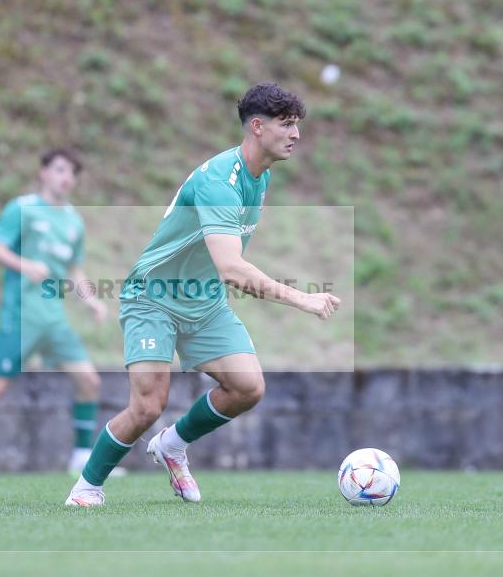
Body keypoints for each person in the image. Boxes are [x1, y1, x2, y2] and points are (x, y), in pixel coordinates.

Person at [65, 83, 340, 506]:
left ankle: (172, 445)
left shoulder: (260, 177)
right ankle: (86, 488)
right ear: (257, 127)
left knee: (247, 387)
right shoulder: (219, 181)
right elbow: (231, 268)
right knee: (147, 407)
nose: (296, 135)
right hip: (153, 297)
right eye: (287, 125)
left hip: (204, 301)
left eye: (297, 126)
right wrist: (303, 298)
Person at [0, 148, 117, 480]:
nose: (66, 177)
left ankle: (82, 457)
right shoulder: (22, 209)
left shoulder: (73, 220)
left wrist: (91, 301)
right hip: (21, 317)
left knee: (89, 380)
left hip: (54, 319)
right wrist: (24, 264)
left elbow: (74, 269)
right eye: (59, 169)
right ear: (43, 172)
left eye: (72, 172)